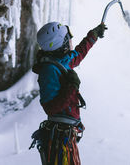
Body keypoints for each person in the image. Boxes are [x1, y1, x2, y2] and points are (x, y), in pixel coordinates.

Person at [30, 22, 107, 165]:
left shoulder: (60, 61)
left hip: (66, 133)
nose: (70, 41)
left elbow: (79, 53)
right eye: (67, 38)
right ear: (60, 43)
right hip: (60, 135)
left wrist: (93, 35)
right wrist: (72, 86)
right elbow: (50, 107)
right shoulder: (49, 70)